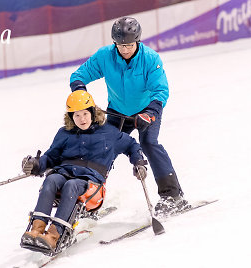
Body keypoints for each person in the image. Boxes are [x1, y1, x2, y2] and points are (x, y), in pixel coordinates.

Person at [69, 16, 188, 217]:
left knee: (149, 144)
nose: (125, 49)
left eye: (129, 45)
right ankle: (90, 199)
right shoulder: (105, 56)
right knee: (103, 148)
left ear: (138, 41)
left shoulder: (150, 59)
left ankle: (172, 196)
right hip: (116, 111)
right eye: (120, 45)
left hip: (146, 111)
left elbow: (160, 90)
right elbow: (79, 76)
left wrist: (150, 113)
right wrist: (81, 94)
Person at [20, 90, 147, 250]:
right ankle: (36, 230)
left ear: (93, 112)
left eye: (85, 114)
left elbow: (131, 145)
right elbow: (50, 157)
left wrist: (139, 163)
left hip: (92, 186)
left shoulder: (109, 133)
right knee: (51, 179)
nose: (82, 119)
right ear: (71, 116)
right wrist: (36, 165)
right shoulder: (65, 133)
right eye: (77, 115)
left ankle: (54, 235)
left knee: (71, 185)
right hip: (63, 174)